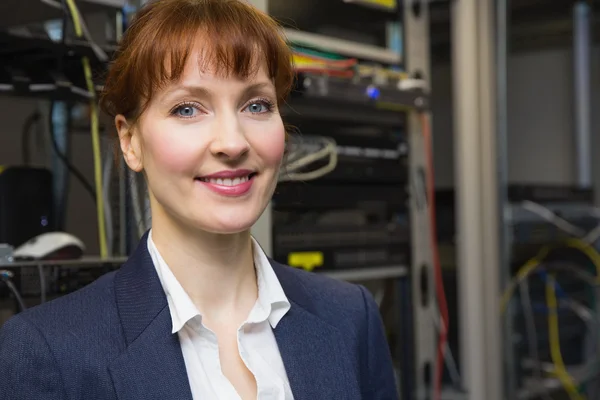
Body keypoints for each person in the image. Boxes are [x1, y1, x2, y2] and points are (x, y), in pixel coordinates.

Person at [0, 0, 398, 399]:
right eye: (187, 109)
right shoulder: (45, 352)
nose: (232, 142)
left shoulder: (351, 317)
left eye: (256, 105)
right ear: (130, 141)